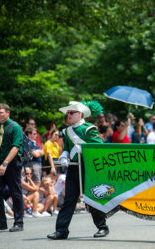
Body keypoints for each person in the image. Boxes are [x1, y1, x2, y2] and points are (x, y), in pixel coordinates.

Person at [47, 100, 109, 239]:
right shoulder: (67, 131)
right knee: (69, 199)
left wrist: (84, 148)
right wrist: (64, 156)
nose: (68, 115)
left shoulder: (89, 128)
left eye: (71, 112)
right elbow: (67, 148)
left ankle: (102, 227)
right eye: (68, 113)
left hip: (88, 168)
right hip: (74, 168)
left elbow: (99, 148)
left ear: (80, 114)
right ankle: (61, 230)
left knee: (91, 198)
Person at [0, 103, 24, 232]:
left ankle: (18, 222)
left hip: (12, 162)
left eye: (1, 113)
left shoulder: (15, 127)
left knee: (15, 192)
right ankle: (0, 222)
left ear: (7, 113)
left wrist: (5, 164)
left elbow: (15, 147)